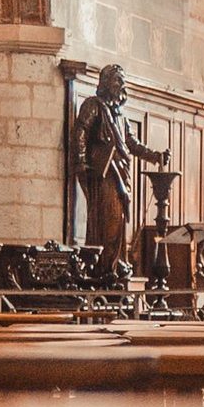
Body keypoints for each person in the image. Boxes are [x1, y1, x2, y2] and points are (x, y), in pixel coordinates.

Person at [73, 62, 137, 262]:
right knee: (106, 220)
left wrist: (157, 156)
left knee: (118, 222)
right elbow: (81, 130)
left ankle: (115, 266)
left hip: (121, 173)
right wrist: (81, 160)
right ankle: (103, 268)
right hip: (104, 173)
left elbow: (132, 144)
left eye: (122, 81)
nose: (121, 84)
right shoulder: (93, 105)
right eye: (117, 80)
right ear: (106, 82)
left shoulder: (120, 116)